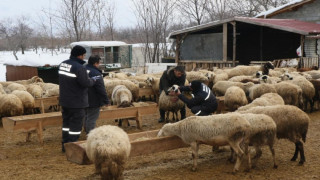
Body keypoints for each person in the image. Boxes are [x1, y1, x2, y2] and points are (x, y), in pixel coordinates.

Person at [58, 45, 99, 152]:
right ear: (80, 55)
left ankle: (65, 146)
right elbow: (85, 83)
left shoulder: (63, 64)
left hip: (65, 101)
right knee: (75, 127)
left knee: (66, 125)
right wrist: (93, 80)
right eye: (84, 55)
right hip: (77, 102)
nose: (84, 57)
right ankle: (72, 148)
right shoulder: (79, 68)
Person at [84, 55, 109, 134]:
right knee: (92, 118)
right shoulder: (96, 73)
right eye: (99, 63)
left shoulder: (82, 69)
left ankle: (87, 131)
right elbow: (100, 88)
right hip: (93, 100)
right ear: (95, 63)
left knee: (86, 117)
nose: (99, 64)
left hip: (82, 98)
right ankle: (90, 135)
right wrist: (106, 100)